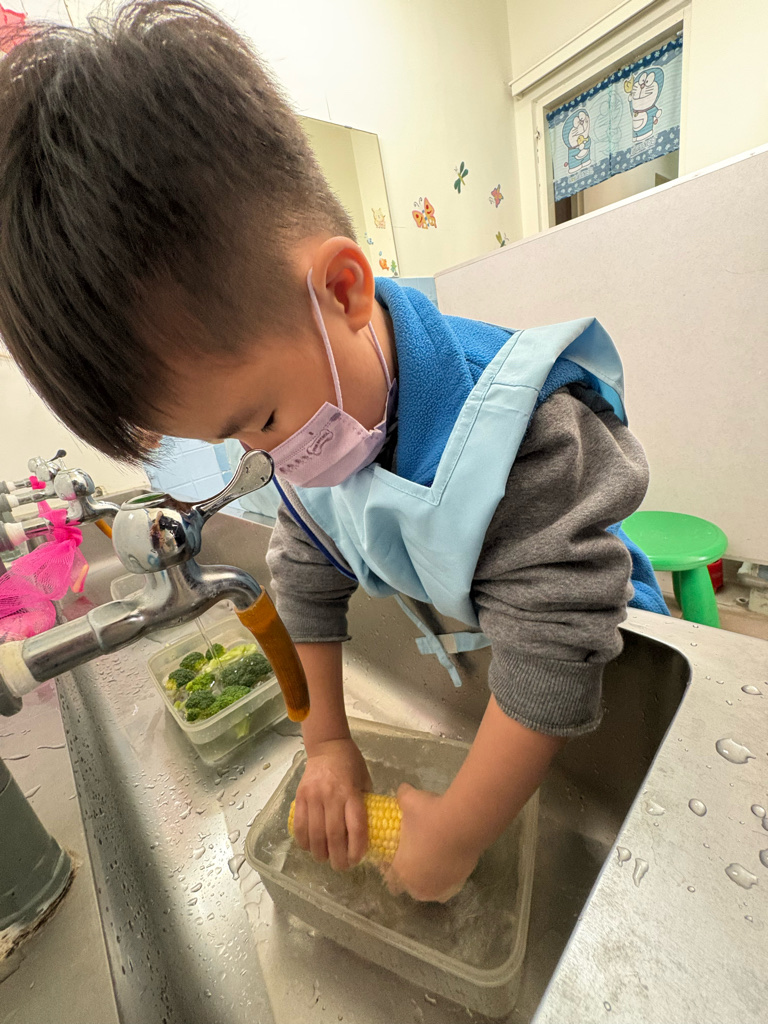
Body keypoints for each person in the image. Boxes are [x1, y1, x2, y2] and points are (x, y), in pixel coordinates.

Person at [0, 1, 667, 903]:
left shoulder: (525, 432)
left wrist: (462, 828)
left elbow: (555, 651)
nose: (266, 454)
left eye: (261, 418)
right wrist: (326, 741)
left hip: (618, 694)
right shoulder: (318, 426)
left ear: (345, 289)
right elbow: (306, 567)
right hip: (491, 663)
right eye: (232, 436)